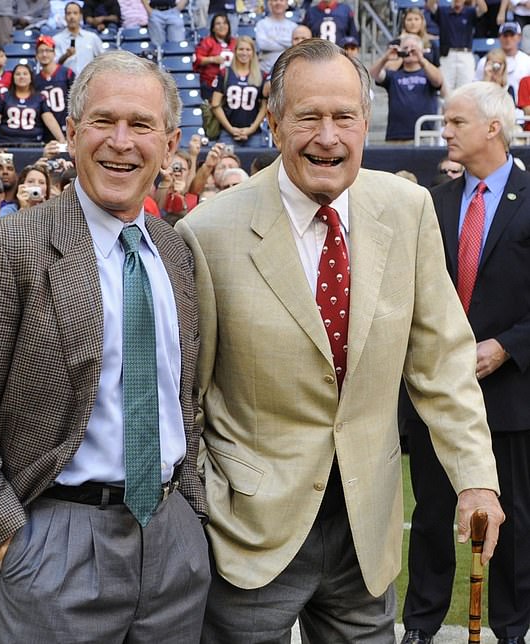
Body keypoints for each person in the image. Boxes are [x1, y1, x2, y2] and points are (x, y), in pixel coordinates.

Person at [174, 38, 504, 643]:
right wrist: (203, 508)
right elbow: (186, 397)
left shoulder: (407, 210)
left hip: (366, 532)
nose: (329, 136)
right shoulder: (207, 232)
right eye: (308, 117)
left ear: (364, 122)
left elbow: (442, 364)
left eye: (345, 117)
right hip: (249, 536)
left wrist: (476, 477)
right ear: (272, 124)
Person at [0, 50, 210, 638]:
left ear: (170, 143)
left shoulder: (176, 252)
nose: (120, 142)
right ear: (72, 134)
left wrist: (192, 516)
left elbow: (184, 399)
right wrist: (10, 541)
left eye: (141, 125)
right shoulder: (8, 246)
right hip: (57, 541)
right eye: (103, 121)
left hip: (173, 544)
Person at [401, 81, 530, 644]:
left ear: (492, 128)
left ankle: (512, 627)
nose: (444, 131)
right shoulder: (432, 203)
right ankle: (421, 628)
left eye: (454, 122)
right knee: (430, 518)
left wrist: (506, 347)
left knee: (516, 523)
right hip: (438, 397)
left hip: (510, 397)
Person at [370, 35, 444, 142]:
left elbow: (438, 80)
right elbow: (373, 74)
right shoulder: (393, 76)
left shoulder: (428, 73)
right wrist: (385, 58)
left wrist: (421, 59)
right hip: (397, 135)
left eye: (413, 48)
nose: (409, 51)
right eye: (405, 48)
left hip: (424, 135)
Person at [0, 64, 66, 145]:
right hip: (6, 142)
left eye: (25, 74)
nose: (21, 77)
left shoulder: (40, 98)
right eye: (18, 74)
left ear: (31, 78)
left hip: (33, 143)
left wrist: (62, 140)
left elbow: (49, 119)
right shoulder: (3, 97)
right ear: (13, 78)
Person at [210, 35, 267, 148]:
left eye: (248, 49)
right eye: (241, 49)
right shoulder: (224, 73)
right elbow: (215, 104)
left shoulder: (261, 76)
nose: (244, 53)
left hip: (254, 135)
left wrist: (251, 129)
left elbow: (264, 106)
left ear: (253, 52)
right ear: (235, 51)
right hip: (227, 133)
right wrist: (231, 129)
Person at [427, 0, 488, 92]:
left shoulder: (470, 12)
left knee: (466, 89)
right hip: (447, 55)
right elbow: (430, 5)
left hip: (465, 54)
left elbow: (483, 9)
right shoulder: (443, 11)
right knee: (445, 89)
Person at [34, 34, 76, 139]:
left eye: (48, 50)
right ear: (36, 55)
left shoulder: (67, 73)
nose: (44, 54)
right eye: (41, 51)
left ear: (54, 53)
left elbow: (76, 99)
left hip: (68, 125)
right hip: (46, 130)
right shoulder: (35, 80)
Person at [475, 22, 530, 100]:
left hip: (520, 107)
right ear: (499, 37)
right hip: (493, 103)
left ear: (519, 37)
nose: (508, 39)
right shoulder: (485, 61)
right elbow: (476, 87)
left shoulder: (527, 61)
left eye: (512, 35)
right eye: (505, 35)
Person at [193, 13, 236, 102]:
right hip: (211, 83)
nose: (222, 26)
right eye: (218, 23)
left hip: (231, 84)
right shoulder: (207, 42)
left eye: (225, 23)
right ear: (213, 28)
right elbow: (197, 59)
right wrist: (212, 59)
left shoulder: (235, 42)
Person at [54, 2, 103, 76]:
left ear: (80, 16)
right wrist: (66, 55)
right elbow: (53, 65)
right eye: (69, 13)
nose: (72, 17)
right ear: (65, 17)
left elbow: (103, 60)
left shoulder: (92, 38)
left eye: (75, 13)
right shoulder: (56, 39)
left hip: (87, 82)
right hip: (65, 83)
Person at [255, 0, 297, 75]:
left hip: (288, 71)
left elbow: (295, 46)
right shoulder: (261, 24)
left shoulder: (293, 26)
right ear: (269, 4)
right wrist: (287, 44)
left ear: (287, 4)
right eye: (275, 0)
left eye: (281, 0)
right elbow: (263, 44)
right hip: (265, 71)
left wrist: (273, 39)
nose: (278, 3)